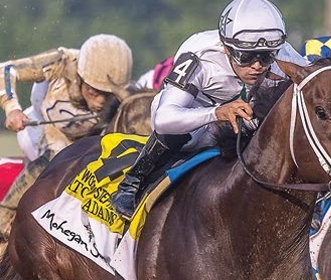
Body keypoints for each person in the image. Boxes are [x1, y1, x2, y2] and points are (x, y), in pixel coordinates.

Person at [111, 0, 306, 220]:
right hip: (197, 123)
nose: (257, 65)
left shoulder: (285, 55)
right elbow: (163, 119)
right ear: (226, 47)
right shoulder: (200, 55)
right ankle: (134, 181)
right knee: (177, 131)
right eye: (246, 55)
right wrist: (216, 112)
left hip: (248, 119)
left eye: (266, 55)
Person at [0, 34, 134, 240]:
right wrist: (12, 109)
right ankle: (1, 217)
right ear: (81, 77)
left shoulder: (124, 93)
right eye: (93, 91)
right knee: (58, 155)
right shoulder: (60, 62)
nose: (100, 101)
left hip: (85, 146)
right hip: (39, 133)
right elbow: (4, 70)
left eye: (108, 95)